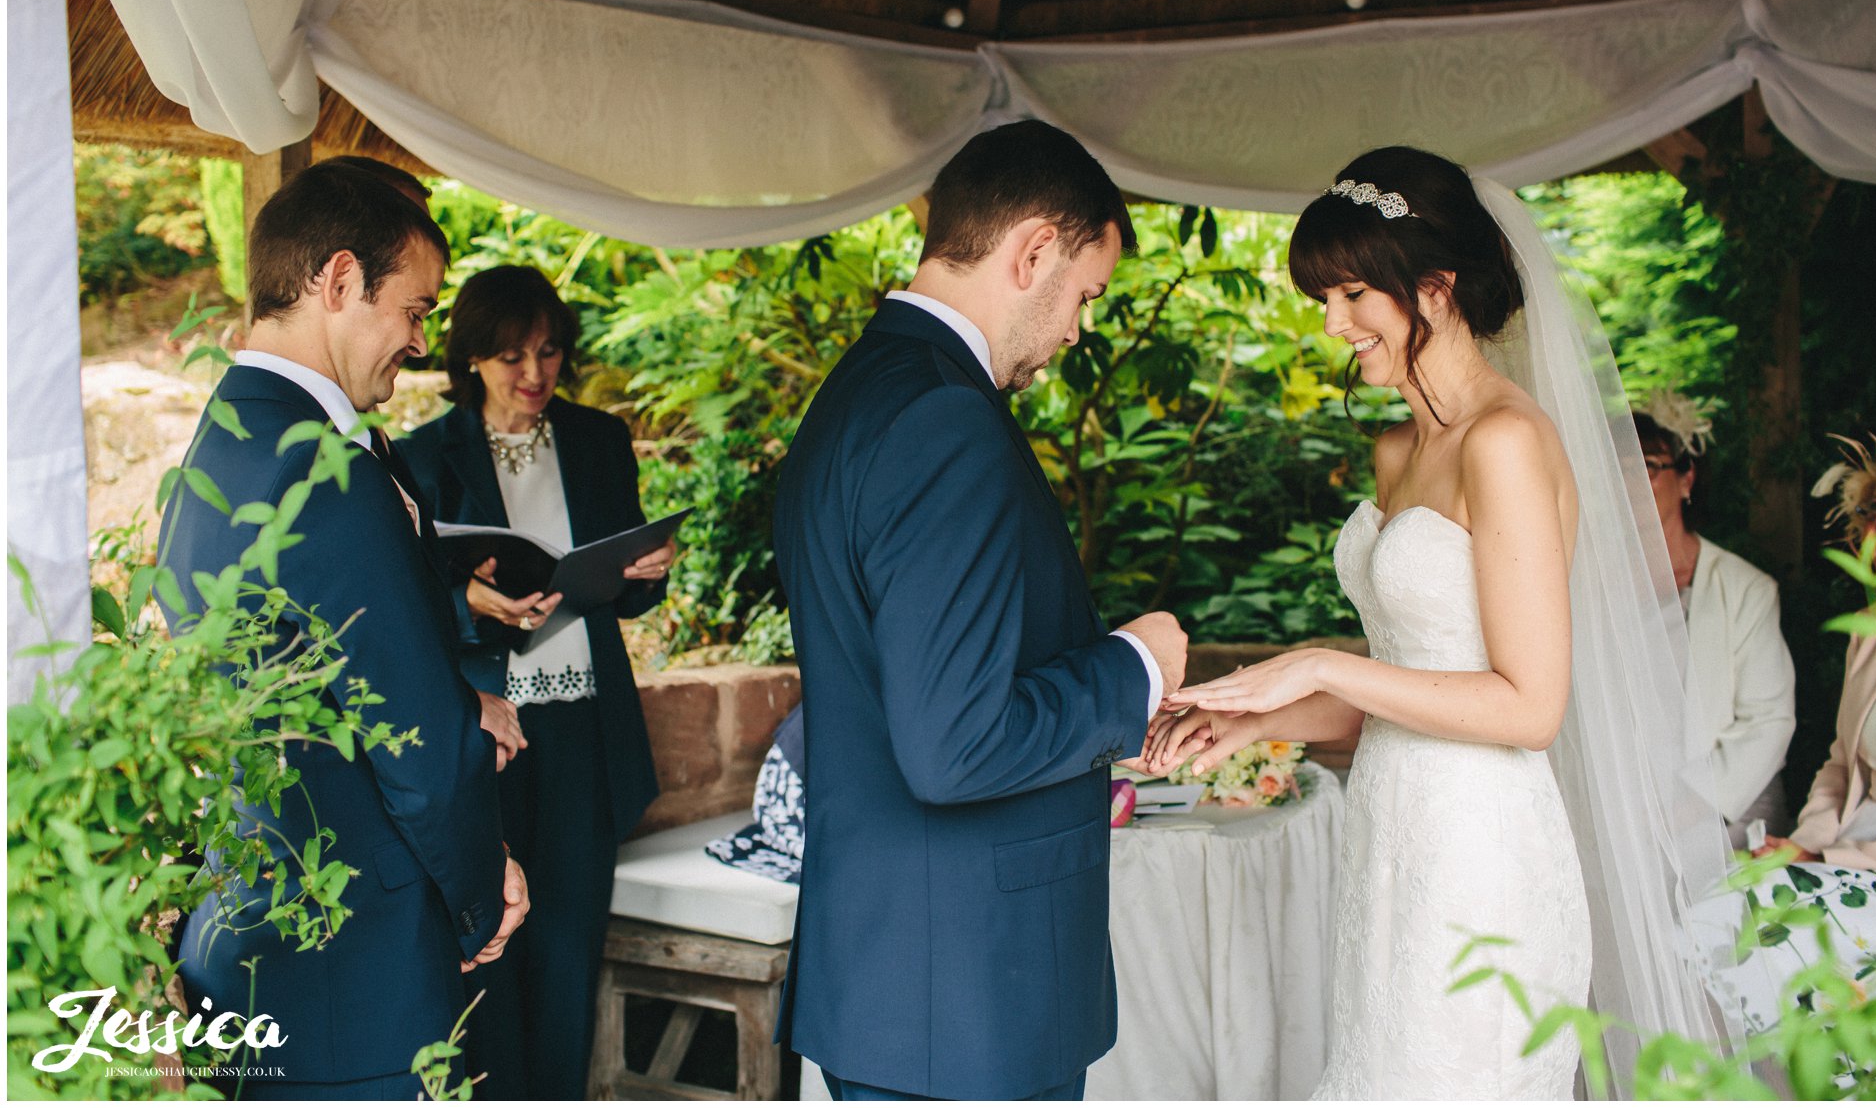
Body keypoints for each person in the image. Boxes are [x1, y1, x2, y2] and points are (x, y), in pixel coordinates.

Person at [1146, 148, 1732, 1097]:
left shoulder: (1505, 442)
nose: (1331, 324)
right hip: (1391, 841)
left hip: (1482, 857)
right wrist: (1252, 722)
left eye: (1350, 296)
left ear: (1435, 286)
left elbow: (1529, 705)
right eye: (1322, 298)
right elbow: (1413, 686)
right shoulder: (1397, 450)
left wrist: (1322, 665)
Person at [773, 119, 1188, 1101]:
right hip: (966, 991)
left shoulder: (862, 392)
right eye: (1083, 294)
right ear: (1032, 249)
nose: (1076, 327)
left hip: (901, 973)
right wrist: (1131, 664)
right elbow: (953, 744)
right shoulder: (942, 419)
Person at [159, 163, 527, 1098]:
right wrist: (484, 894)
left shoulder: (223, 438)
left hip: (255, 941)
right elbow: (413, 739)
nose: (418, 338)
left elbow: (314, 667)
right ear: (336, 281)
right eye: (413, 307)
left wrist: (458, 695)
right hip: (353, 969)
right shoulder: (325, 470)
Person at [397, 265, 674, 1098]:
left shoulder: (598, 440)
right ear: (472, 358)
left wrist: (648, 569)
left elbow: (629, 587)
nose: (534, 372)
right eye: (512, 353)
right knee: (489, 947)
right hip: (486, 735)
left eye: (549, 351)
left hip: (585, 727)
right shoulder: (421, 456)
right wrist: (466, 596)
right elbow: (405, 602)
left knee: (569, 944)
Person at [1761, 431, 1876, 884]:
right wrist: (1805, 847)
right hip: (1857, 847)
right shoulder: (1871, 632)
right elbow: (1842, 765)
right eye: (1875, 508)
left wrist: (1835, 863)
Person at [1635, 395, 1796, 845]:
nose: (1630, 481)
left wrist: (1691, 809)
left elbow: (1768, 721)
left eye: (1648, 465)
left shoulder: (1745, 589)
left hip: (1727, 807)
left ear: (1686, 478)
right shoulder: (1589, 584)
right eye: (1619, 467)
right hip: (1629, 803)